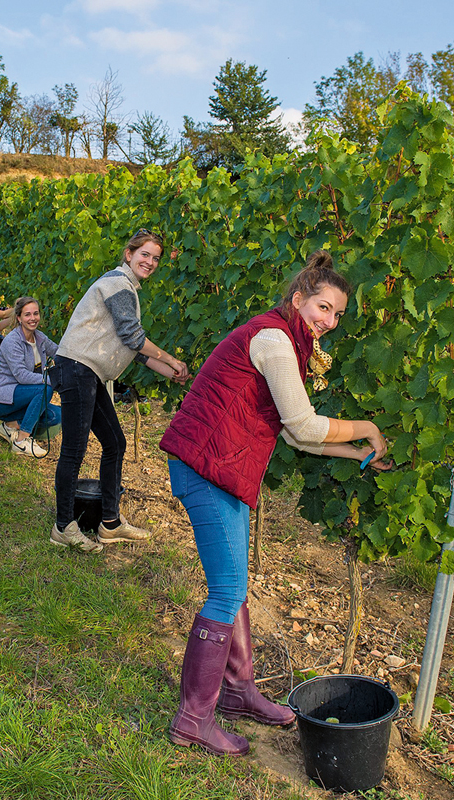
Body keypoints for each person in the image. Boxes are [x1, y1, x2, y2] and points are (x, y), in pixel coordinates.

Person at [159, 250, 391, 757]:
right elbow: (305, 426)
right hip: (207, 464)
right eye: (323, 308)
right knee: (225, 592)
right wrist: (368, 428)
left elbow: (295, 438)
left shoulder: (283, 338)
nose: (329, 321)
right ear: (298, 299)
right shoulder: (274, 340)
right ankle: (192, 720)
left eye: (337, 315)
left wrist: (356, 453)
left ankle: (239, 694)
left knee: (234, 584)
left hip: (224, 466)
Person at [50, 228, 190, 554]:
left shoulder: (126, 289)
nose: (151, 261)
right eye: (145, 254)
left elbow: (136, 351)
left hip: (89, 372)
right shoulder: (117, 283)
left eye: (155, 258)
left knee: (115, 442)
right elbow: (133, 336)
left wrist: (171, 372)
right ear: (129, 254)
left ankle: (110, 523)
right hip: (77, 368)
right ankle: (63, 526)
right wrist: (170, 358)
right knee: (74, 450)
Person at [0, 297, 61, 457]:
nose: (32, 318)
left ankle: (10, 426)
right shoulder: (13, 341)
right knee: (45, 389)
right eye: (27, 315)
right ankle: (21, 440)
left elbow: (59, 353)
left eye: (36, 313)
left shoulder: (40, 338)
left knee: (56, 416)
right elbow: (22, 376)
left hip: (19, 396)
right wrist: (54, 381)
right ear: (19, 317)